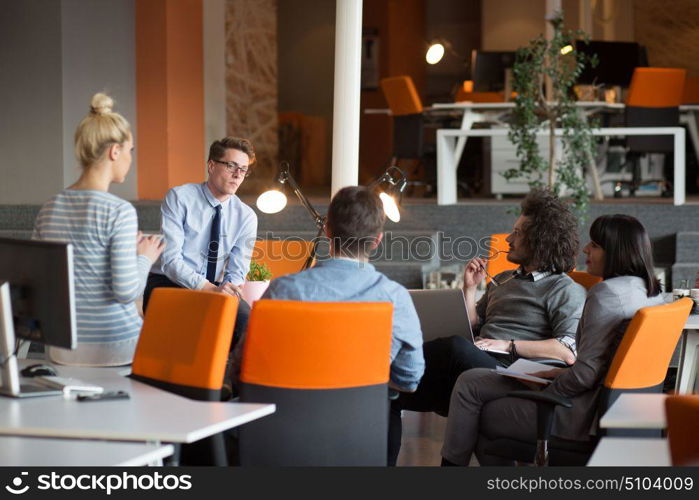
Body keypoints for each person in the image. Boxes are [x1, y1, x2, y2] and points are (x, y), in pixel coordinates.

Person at [441, 214, 664, 465]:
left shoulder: (605, 294)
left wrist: (546, 389)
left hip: (578, 412)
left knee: (477, 410)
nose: (586, 249)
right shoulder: (650, 292)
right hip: (625, 409)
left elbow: (584, 373)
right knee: (470, 380)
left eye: (596, 245)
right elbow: (598, 365)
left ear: (618, 251)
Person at [232, 186, 425, 466]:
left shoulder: (283, 290)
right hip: (361, 434)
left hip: (281, 433)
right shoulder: (395, 298)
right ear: (377, 240)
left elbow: (243, 367)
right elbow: (410, 378)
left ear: (327, 230)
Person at [396, 189, 586, 421]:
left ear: (539, 242)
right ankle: (389, 390)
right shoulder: (505, 278)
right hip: (478, 360)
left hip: (510, 369)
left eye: (516, 233)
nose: (508, 239)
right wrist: (470, 289)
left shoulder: (564, 289)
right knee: (392, 397)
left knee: (455, 347)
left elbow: (567, 350)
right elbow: (475, 323)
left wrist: (508, 345)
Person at [33, 92, 164, 366]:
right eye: (130, 151)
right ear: (114, 151)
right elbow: (126, 291)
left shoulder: (49, 208)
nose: (130, 158)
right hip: (116, 348)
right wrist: (144, 256)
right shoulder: (119, 211)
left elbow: (39, 284)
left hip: (62, 350)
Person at [144, 137, 258, 343]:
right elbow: (171, 262)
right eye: (231, 166)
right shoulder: (180, 198)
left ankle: (222, 372)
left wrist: (225, 290)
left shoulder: (246, 216)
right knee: (185, 331)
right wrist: (210, 289)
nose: (237, 174)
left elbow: (238, 270)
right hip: (169, 283)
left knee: (245, 322)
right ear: (211, 165)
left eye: (243, 169)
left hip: (217, 287)